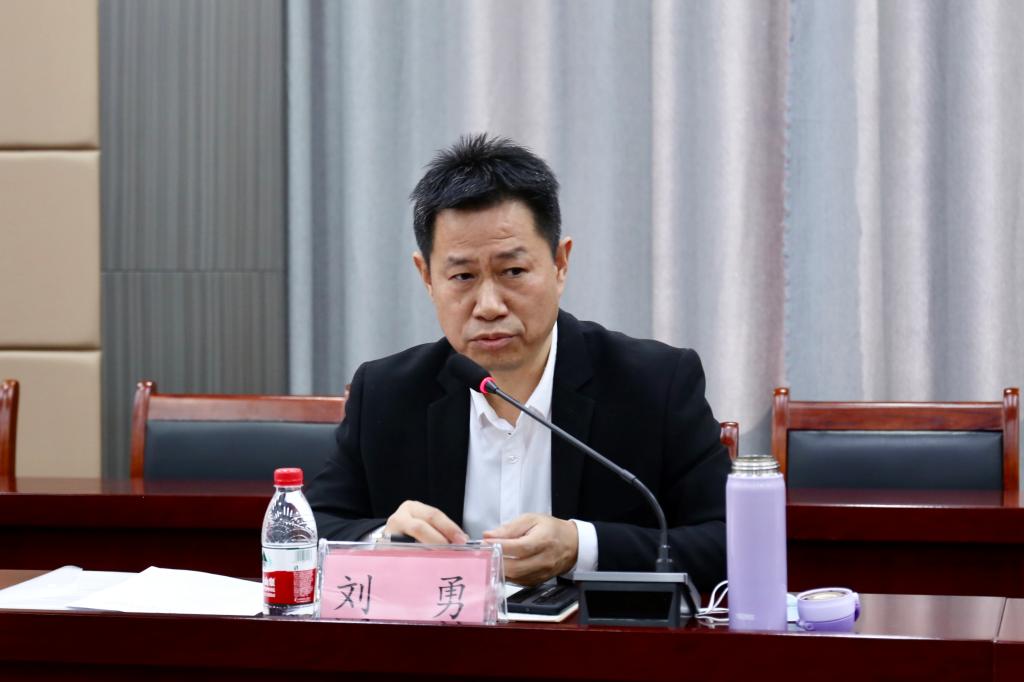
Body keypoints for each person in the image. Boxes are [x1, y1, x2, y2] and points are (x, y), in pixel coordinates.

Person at [306, 134, 730, 590]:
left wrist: (581, 548)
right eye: (462, 276)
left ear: (560, 263)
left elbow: (730, 543)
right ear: (427, 277)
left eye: (513, 271)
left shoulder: (655, 384)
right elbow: (304, 533)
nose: (489, 305)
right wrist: (383, 542)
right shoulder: (386, 393)